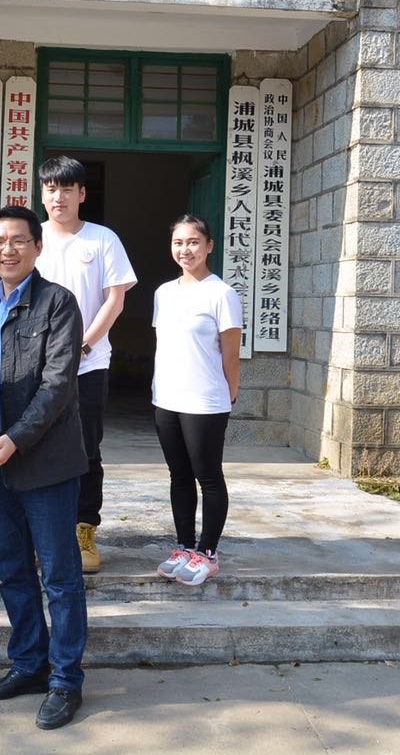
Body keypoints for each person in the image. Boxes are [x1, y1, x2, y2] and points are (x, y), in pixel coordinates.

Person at [0, 205, 89, 731]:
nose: (7, 249)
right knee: (12, 570)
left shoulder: (58, 302)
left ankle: (65, 680)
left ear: (37, 247)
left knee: (59, 577)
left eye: (18, 240)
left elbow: (57, 385)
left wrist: (15, 439)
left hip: (46, 461)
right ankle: (28, 664)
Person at [35, 156, 136, 574]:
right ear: (42, 194)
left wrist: (83, 345)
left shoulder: (102, 239)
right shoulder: (32, 238)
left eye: (66, 189)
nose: (58, 197)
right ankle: (44, 533)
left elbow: (115, 298)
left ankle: (84, 529)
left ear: (81, 194)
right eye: (51, 189)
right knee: (36, 448)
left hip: (88, 366)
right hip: (36, 368)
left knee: (86, 449)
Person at [151, 215, 242, 587]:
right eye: (178, 242)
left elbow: (231, 355)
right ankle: (184, 547)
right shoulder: (163, 292)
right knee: (179, 476)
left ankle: (208, 552)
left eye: (193, 242)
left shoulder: (221, 293)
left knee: (208, 477)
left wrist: (228, 395)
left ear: (209, 246)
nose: (185, 249)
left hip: (205, 401)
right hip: (167, 398)